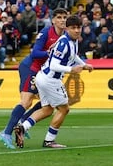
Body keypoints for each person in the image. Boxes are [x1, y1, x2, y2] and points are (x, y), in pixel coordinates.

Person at [14, 16, 93, 148]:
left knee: (47, 109)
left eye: (79, 27)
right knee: (64, 109)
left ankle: (23, 127)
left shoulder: (72, 40)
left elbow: (74, 56)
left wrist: (84, 65)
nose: (77, 30)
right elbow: (54, 65)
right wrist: (71, 69)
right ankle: (49, 140)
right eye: (73, 28)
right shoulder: (64, 43)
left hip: (43, 77)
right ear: (67, 29)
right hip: (50, 80)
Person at [0, 8, 68, 149]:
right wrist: (49, 53)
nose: (62, 20)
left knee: (46, 104)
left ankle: (22, 123)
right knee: (26, 101)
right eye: (59, 17)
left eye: (64, 17)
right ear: (53, 20)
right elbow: (35, 53)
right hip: (31, 68)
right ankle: (6, 133)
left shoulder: (65, 37)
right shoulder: (46, 32)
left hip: (44, 72)